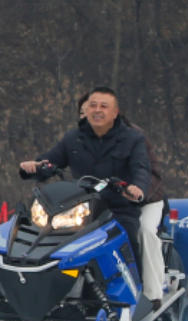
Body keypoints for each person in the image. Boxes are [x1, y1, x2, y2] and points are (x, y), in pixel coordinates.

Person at [18, 86, 165, 301]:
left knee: (135, 236)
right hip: (86, 205)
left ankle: (143, 294)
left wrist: (136, 189)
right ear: (85, 110)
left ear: (115, 112)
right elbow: (51, 160)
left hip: (122, 205)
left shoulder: (133, 139)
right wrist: (33, 167)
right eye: (93, 106)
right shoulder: (73, 138)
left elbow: (142, 169)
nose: (98, 110)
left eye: (104, 106)